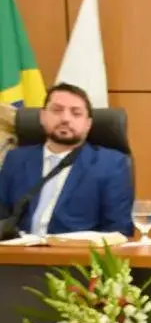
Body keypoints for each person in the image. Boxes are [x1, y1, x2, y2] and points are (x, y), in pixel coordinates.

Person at [0, 83, 133, 236]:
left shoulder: (110, 164)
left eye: (76, 113)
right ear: (42, 116)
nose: (65, 119)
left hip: (76, 257)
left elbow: (118, 230)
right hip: (17, 254)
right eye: (57, 110)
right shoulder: (16, 159)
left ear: (88, 124)